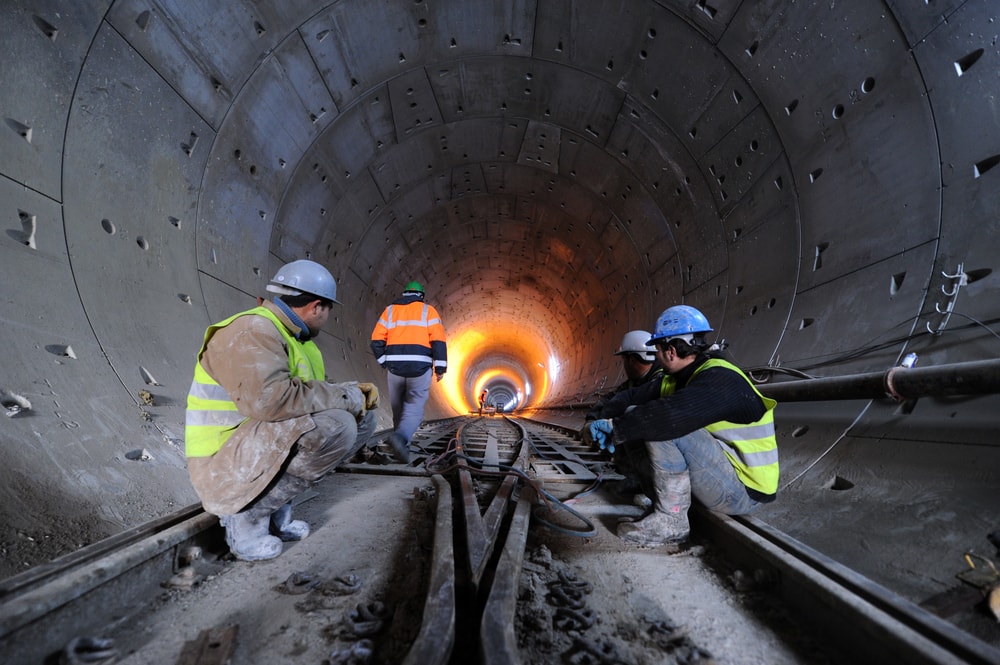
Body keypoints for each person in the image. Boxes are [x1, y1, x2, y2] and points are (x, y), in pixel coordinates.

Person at [185, 259, 379, 561]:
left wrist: (353, 393)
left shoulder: (294, 338)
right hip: (221, 466)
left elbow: (307, 396)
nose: (327, 318)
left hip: (251, 452)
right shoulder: (254, 330)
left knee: (363, 418)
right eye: (328, 311)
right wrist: (345, 397)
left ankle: (275, 507)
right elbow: (270, 401)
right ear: (316, 307)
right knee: (338, 424)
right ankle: (247, 516)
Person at [586, 305, 778, 547]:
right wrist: (602, 421)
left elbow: (668, 418)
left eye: (658, 349)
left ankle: (671, 521)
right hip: (719, 478)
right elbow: (630, 398)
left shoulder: (721, 378)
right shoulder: (680, 378)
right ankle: (660, 505)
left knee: (659, 424)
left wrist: (619, 428)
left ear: (671, 351)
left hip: (743, 492)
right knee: (637, 414)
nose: (657, 356)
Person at [370, 281, 447, 462]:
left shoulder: (389, 311)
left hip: (395, 368)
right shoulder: (428, 311)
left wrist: (384, 362)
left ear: (405, 294)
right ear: (421, 296)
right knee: (414, 407)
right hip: (420, 368)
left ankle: (401, 446)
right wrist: (440, 368)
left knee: (398, 408)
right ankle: (401, 438)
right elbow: (438, 341)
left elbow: (376, 340)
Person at [582, 330, 665, 497]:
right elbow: (610, 400)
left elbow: (624, 403)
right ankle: (630, 474)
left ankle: (642, 484)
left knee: (631, 415)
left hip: (663, 460)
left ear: (631, 359)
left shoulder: (661, 378)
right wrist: (591, 420)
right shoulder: (635, 382)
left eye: (624, 360)